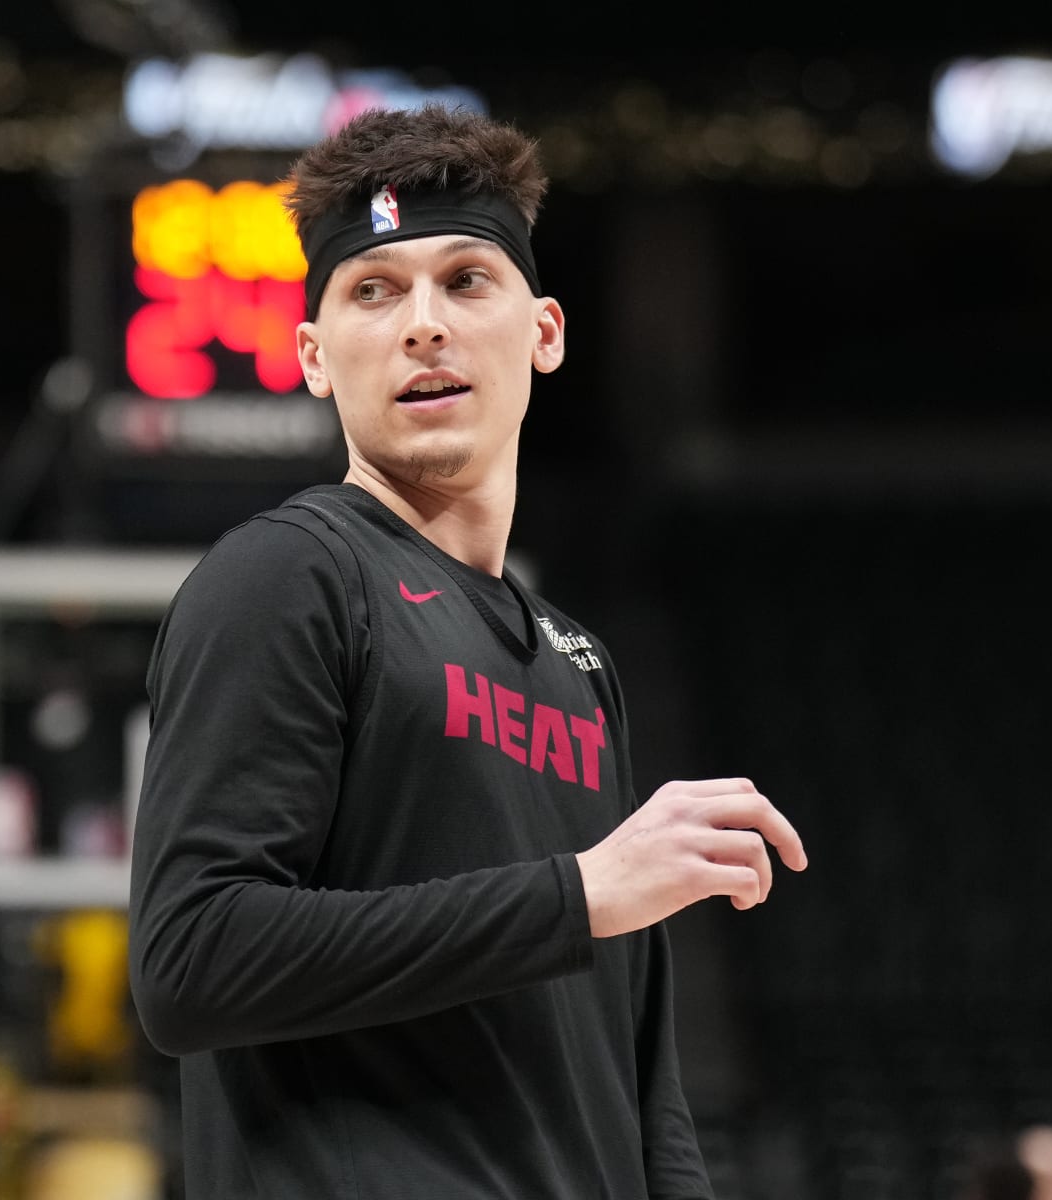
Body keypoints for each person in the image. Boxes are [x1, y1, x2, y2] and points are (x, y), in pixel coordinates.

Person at [128, 103, 808, 1199]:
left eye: (465, 280)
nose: (423, 325)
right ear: (311, 355)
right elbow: (190, 962)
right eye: (374, 291)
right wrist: (573, 894)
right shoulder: (287, 578)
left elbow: (639, 1084)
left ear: (545, 332)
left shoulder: (579, 662)